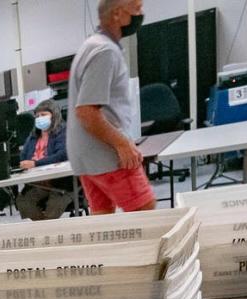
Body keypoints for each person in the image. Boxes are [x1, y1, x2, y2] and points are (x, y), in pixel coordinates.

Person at [67, 0, 155, 216]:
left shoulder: (90, 45)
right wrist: (123, 144)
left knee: (104, 225)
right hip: (108, 155)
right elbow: (86, 112)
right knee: (148, 217)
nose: (140, 13)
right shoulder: (104, 51)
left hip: (87, 158)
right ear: (118, 14)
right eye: (136, 8)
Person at [16, 101, 73, 221]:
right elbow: (23, 156)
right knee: (22, 202)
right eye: (37, 116)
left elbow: (62, 155)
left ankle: (46, 229)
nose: (39, 118)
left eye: (43, 114)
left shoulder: (63, 131)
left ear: (54, 114)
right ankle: (43, 227)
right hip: (36, 182)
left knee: (54, 205)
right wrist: (24, 163)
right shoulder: (33, 136)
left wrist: (35, 163)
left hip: (60, 182)